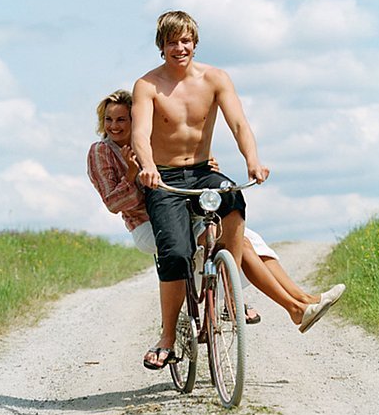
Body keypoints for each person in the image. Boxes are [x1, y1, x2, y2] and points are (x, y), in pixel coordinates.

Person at [128, 11, 341, 369]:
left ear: (194, 42)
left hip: (201, 172)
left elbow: (239, 123)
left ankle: (229, 289)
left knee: (232, 195)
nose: (179, 48)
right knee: (176, 254)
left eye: (185, 41)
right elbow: (139, 133)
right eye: (171, 42)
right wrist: (148, 166)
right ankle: (167, 335)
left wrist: (253, 161)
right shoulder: (147, 85)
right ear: (161, 46)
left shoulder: (215, 78)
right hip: (164, 178)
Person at [88, 89, 345, 368]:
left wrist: (203, 168)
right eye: (110, 119)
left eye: (123, 120)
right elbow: (115, 204)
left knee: (246, 239)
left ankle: (303, 300)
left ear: (137, 120)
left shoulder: (151, 144)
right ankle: (288, 308)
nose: (115, 126)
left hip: (187, 212)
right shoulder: (101, 152)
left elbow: (182, 169)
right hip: (147, 225)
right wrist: (130, 176)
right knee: (231, 242)